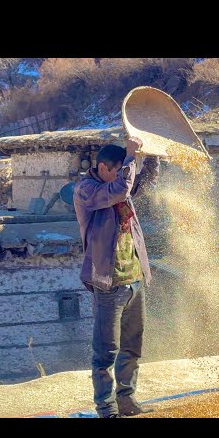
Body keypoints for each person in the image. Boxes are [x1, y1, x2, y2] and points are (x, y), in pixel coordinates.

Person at [74, 137, 160, 417]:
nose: (124, 173)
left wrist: (152, 155)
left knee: (132, 347)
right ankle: (106, 407)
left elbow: (141, 183)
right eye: (119, 168)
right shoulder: (87, 190)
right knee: (105, 352)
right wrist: (131, 157)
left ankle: (127, 400)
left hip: (134, 279)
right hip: (108, 283)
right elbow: (122, 188)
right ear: (103, 167)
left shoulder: (118, 183)